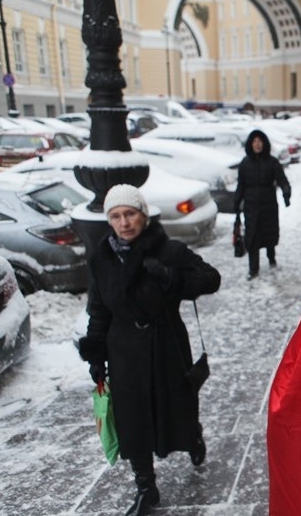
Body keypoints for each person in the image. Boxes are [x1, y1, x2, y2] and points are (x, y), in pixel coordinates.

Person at [78, 184, 221, 516]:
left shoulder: (168, 250)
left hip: (166, 344)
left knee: (178, 406)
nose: (124, 222)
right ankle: (146, 486)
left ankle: (193, 435)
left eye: (130, 214)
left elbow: (210, 279)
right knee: (132, 418)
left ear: (143, 214)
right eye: (116, 216)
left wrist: (171, 277)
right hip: (124, 351)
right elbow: (98, 310)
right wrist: (96, 356)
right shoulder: (101, 260)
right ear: (109, 221)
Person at [235, 130, 291, 279]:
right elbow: (240, 185)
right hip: (251, 207)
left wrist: (286, 192)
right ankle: (253, 269)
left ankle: (271, 256)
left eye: (260, 141)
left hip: (269, 206)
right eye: (255, 141)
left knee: (269, 234)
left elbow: (282, 179)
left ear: (264, 143)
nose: (257, 144)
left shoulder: (272, 162)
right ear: (250, 144)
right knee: (252, 236)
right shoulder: (245, 163)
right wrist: (236, 202)